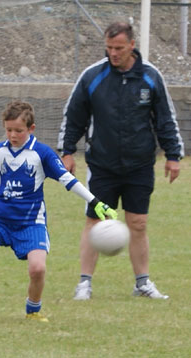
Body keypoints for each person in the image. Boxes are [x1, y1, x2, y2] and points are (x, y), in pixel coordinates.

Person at [0, 100, 116, 322]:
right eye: (9, 130)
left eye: (18, 130)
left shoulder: (42, 154)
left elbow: (67, 179)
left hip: (31, 223)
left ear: (31, 129)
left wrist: (94, 201)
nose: (13, 135)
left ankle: (33, 311)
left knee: (37, 269)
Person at [57, 22, 184, 301]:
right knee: (94, 220)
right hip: (102, 165)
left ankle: (142, 283)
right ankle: (84, 284)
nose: (113, 53)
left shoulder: (150, 76)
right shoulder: (93, 76)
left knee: (138, 222)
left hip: (139, 165)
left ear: (131, 45)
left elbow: (165, 119)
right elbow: (74, 116)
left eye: (118, 48)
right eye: (109, 48)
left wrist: (173, 155)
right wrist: (66, 152)